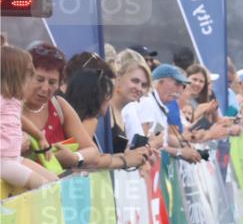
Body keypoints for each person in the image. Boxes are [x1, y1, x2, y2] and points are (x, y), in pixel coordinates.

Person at [63, 59, 150, 171]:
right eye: (135, 81)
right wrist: (124, 160)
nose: (139, 88)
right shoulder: (91, 119)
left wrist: (126, 155)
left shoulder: (73, 113)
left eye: (144, 85)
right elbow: (92, 160)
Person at [22, 43, 95, 172]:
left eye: (52, 82)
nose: (45, 88)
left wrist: (75, 157)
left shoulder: (59, 105)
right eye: (39, 79)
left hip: (57, 189)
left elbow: (93, 151)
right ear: (23, 76)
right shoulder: (7, 107)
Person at [1, 45, 57, 190]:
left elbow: (20, 119)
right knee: (43, 186)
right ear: (15, 78)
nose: (29, 82)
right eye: (28, 77)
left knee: (56, 182)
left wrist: (39, 136)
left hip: (14, 159)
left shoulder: (13, 100)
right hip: (3, 162)